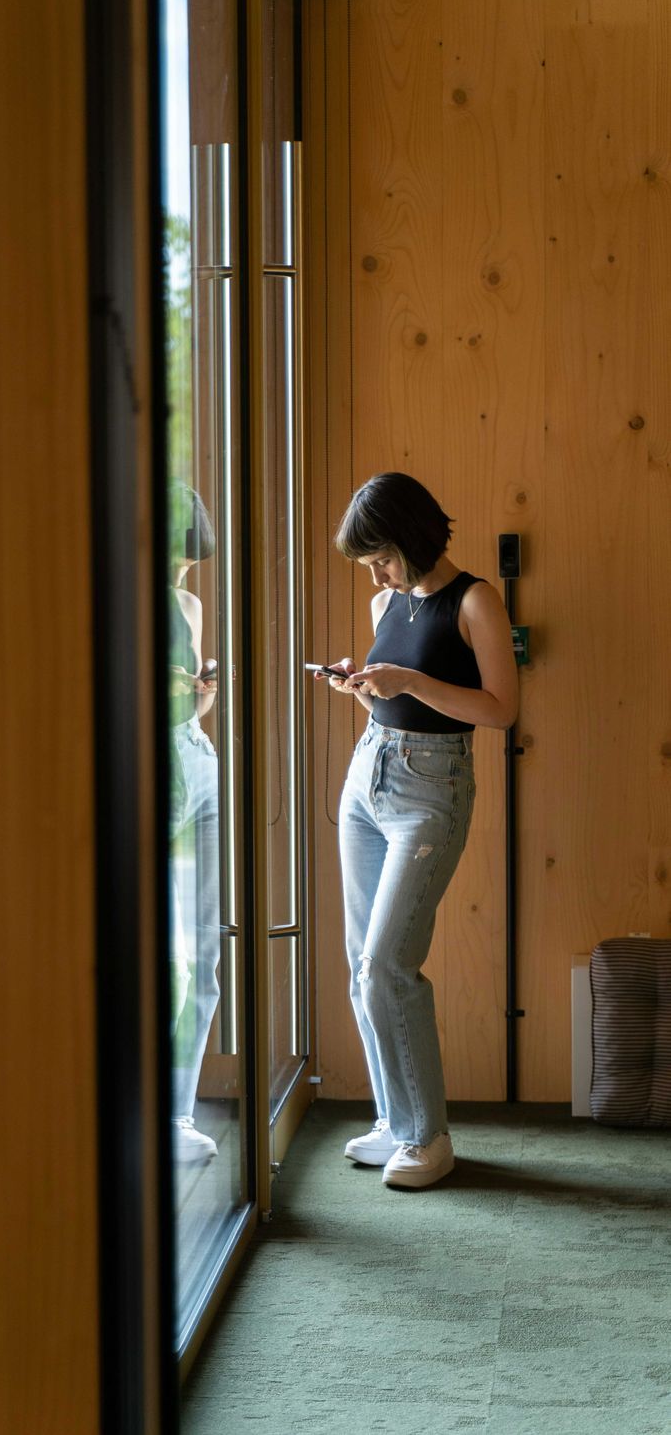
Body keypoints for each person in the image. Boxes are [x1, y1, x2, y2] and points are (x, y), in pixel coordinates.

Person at [321, 472, 518, 1189]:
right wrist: (366, 683)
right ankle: (394, 1122)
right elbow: (396, 689)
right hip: (367, 777)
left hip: (431, 791)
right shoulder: (388, 598)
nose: (374, 574)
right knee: (360, 966)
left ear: (409, 536)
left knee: (386, 965)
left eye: (380, 556)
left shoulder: (476, 601)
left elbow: (500, 709)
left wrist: (407, 682)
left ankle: (428, 1139)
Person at [168, 481, 222, 1164]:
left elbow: (189, 712)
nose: (182, 578)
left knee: (204, 955)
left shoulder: (187, 604)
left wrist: (200, 695)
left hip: (197, 760)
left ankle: (177, 1116)